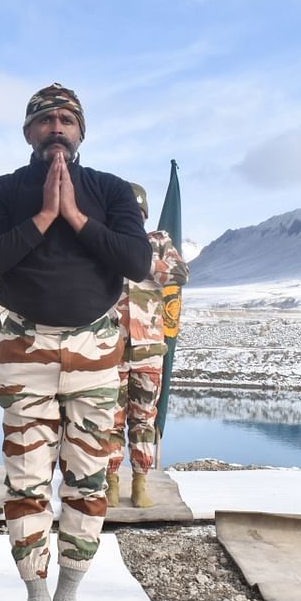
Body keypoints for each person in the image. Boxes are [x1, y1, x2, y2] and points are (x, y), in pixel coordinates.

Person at [0, 82, 151, 601]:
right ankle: (35, 596)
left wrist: (73, 214)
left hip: (94, 351)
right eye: (45, 121)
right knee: (26, 479)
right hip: (25, 349)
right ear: (28, 132)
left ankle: (69, 597)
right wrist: (44, 215)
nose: (56, 129)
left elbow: (137, 262)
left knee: (88, 478)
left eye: (66, 121)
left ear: (81, 131)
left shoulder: (110, 190)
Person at [105, 182, 189, 509]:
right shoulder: (105, 241)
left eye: (136, 212)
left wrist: (145, 262)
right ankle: (111, 480)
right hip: (110, 350)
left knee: (143, 420)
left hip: (148, 352)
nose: (131, 217)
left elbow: (180, 273)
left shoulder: (157, 243)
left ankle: (140, 481)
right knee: (109, 420)